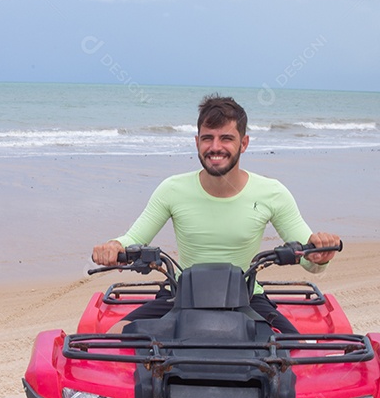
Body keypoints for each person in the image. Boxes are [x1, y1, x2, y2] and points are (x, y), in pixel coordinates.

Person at [92, 94, 340, 333]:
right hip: (180, 294)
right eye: (207, 138)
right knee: (116, 335)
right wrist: (113, 246)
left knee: (295, 351)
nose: (215, 147)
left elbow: (309, 256)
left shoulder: (272, 192)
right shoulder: (172, 189)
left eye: (226, 138)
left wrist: (321, 253)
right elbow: (134, 238)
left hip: (246, 297)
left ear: (244, 143)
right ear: (197, 141)